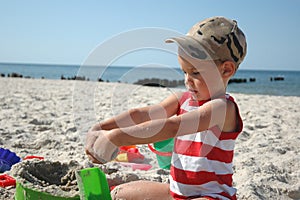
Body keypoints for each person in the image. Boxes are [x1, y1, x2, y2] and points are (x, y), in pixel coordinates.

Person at [85, 16, 247, 200]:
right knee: (119, 194)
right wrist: (102, 128)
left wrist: (117, 137)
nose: (187, 80)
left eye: (195, 73)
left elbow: (173, 126)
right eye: (184, 71)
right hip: (176, 192)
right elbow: (142, 114)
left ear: (226, 70)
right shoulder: (183, 99)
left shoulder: (222, 108)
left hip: (211, 196)